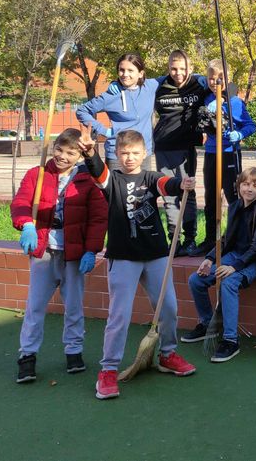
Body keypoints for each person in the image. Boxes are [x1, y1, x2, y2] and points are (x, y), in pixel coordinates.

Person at [80, 129, 197, 400]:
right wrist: (90, 152)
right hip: (123, 257)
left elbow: (167, 184)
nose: (129, 157)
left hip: (156, 255)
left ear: (145, 153)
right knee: (119, 315)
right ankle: (109, 370)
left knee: (169, 308)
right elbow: (97, 170)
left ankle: (167, 354)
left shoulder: (150, 177)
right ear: (117, 154)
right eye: (124, 153)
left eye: (134, 153)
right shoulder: (112, 179)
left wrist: (182, 184)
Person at [10, 128, 107, 384]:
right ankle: (27, 356)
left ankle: (74, 352)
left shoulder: (88, 181)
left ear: (80, 156)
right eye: (59, 150)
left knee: (74, 306)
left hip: (73, 255)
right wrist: (26, 224)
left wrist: (91, 249)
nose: (62, 156)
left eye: (70, 153)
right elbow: (20, 203)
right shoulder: (38, 174)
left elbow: (98, 219)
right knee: (35, 307)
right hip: (44, 251)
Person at [181, 167, 256, 362]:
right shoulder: (235, 206)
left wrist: (234, 267)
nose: (249, 189)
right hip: (236, 255)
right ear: (238, 186)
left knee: (229, 282)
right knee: (196, 280)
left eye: (255, 185)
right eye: (245, 184)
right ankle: (208, 324)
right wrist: (210, 258)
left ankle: (230, 340)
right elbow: (226, 239)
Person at [196, 59, 256, 254]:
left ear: (227, 79)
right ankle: (211, 239)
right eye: (211, 78)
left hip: (230, 154)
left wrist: (239, 134)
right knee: (211, 197)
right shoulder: (206, 98)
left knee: (234, 197)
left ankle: (236, 238)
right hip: (211, 153)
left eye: (220, 78)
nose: (215, 82)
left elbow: (251, 125)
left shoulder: (235, 102)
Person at [152, 50, 208, 257]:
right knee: (168, 195)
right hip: (163, 148)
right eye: (173, 69)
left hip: (187, 149)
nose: (178, 73)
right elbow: (134, 84)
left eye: (183, 69)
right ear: (168, 68)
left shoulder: (199, 84)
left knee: (187, 193)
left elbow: (222, 83)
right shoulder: (158, 85)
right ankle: (174, 240)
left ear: (190, 68)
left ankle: (190, 239)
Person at [76, 53, 160, 171]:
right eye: (121, 70)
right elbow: (82, 111)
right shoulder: (111, 95)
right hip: (117, 155)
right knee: (114, 184)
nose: (125, 74)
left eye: (130, 70)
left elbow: (174, 76)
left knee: (144, 184)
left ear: (140, 73)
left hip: (142, 154)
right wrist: (103, 130)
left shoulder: (150, 86)